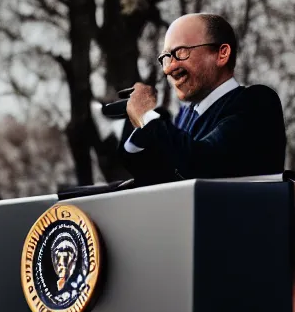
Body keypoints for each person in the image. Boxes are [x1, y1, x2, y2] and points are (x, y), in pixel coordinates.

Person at [120, 13, 286, 185]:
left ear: (222, 54)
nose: (169, 68)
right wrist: (141, 123)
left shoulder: (257, 101)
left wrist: (147, 117)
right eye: (166, 58)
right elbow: (154, 177)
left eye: (180, 52)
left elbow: (203, 165)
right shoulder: (186, 120)